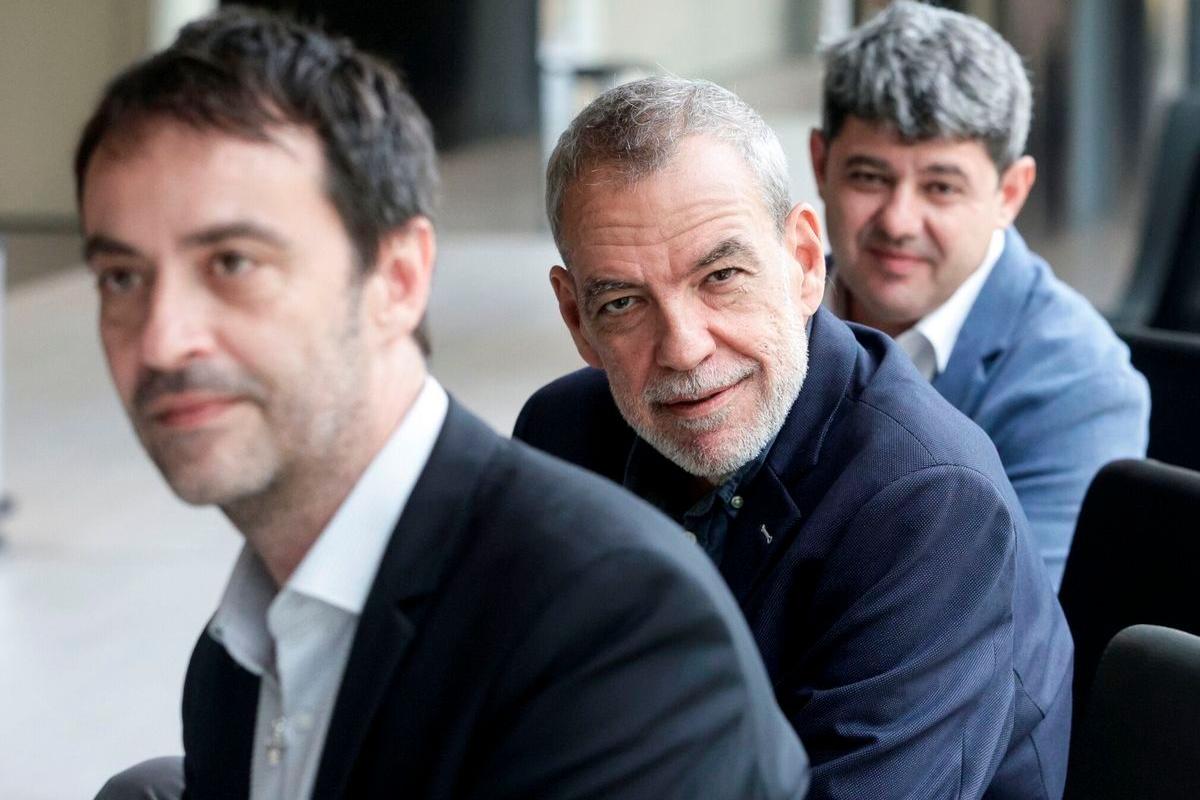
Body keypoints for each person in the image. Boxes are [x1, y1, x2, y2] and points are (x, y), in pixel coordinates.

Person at [79, 9, 810, 800]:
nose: (162, 339)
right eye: (122, 277)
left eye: (232, 262)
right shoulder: (236, 659)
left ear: (397, 280)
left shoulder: (611, 625)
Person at [515, 75, 1073, 799]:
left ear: (805, 263)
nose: (684, 348)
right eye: (623, 303)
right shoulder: (560, 436)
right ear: (577, 319)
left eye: (721, 276)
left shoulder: (930, 503)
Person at [810, 0, 1150, 587]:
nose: (898, 221)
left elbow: (1008, 620)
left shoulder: (1083, 387)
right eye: (869, 177)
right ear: (820, 164)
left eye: (941, 187)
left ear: (1010, 194)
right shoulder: (757, 320)